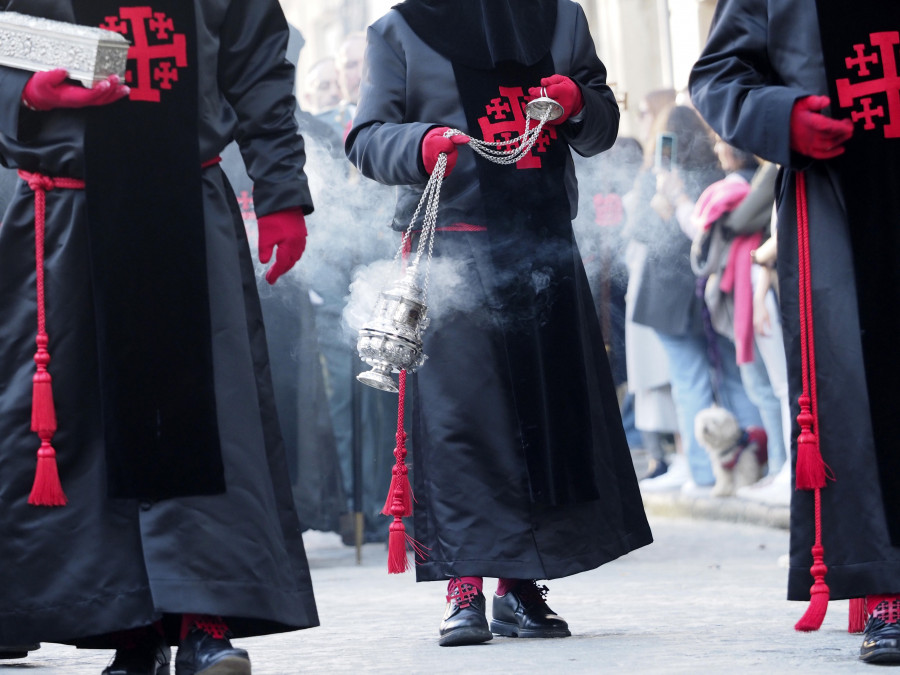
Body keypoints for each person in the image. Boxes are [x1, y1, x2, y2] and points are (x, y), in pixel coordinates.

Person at [0, 1, 318, 673]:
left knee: (201, 417)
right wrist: (21, 91)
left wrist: (281, 187)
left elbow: (258, 62)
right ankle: (129, 628)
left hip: (183, 205)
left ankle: (203, 620)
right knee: (87, 428)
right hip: (63, 214)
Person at [346, 0, 652, 648]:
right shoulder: (398, 30)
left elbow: (600, 127)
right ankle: (465, 585)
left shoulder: (561, 19)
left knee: (545, 420)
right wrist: (422, 143)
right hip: (453, 251)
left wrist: (578, 103)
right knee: (463, 423)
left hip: (544, 244)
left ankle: (521, 584)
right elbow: (367, 138)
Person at [690, 0, 900, 663]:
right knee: (863, 391)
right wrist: (780, 118)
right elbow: (718, 74)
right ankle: (889, 582)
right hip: (839, 197)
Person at [629, 104, 763, 495]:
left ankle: (703, 474)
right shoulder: (717, 174)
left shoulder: (658, 179)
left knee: (690, 384)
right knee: (736, 378)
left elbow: (638, 232)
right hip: (715, 289)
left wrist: (659, 205)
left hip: (668, 299)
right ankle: (753, 463)